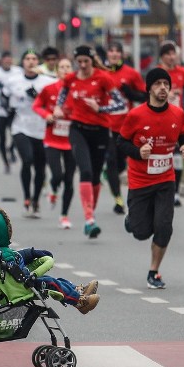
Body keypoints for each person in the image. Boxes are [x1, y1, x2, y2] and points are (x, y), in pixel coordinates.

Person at [117, 68, 184, 289]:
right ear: (149, 88)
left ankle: (154, 271)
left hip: (165, 181)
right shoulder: (136, 115)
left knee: (164, 226)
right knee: (140, 232)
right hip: (140, 181)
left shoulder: (177, 114)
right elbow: (121, 143)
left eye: (166, 84)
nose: (163, 88)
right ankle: (132, 221)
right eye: (158, 84)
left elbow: (183, 134)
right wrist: (138, 152)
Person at [55, 45, 126, 238]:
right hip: (78, 130)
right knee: (85, 170)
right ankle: (89, 219)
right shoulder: (71, 78)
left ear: (92, 60)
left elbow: (121, 104)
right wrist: (58, 108)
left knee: (95, 176)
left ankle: (90, 215)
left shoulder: (103, 78)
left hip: (101, 131)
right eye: (80, 62)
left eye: (86, 61)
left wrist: (100, 108)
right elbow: (61, 95)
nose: (83, 65)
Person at [0, 207, 100, 314]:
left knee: (56, 281)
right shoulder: (1, 254)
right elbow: (16, 269)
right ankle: (79, 301)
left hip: (14, 285)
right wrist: (30, 274)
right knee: (51, 283)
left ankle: (77, 290)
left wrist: (31, 253)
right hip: (18, 288)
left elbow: (18, 256)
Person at [3, 50, 55, 217]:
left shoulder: (47, 82)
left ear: (38, 62)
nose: (31, 62)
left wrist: (39, 97)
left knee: (40, 167)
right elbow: (4, 97)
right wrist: (8, 108)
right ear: (23, 62)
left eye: (34, 59)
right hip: (21, 127)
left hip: (41, 129)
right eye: (27, 59)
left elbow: (55, 100)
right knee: (27, 159)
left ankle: (35, 199)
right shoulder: (13, 81)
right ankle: (26, 197)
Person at [103, 42, 147, 215]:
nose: (114, 54)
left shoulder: (131, 73)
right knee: (112, 161)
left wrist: (130, 93)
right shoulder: (101, 73)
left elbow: (144, 97)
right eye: (111, 51)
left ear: (122, 54)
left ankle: (109, 174)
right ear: (107, 55)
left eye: (117, 51)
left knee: (121, 163)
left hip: (126, 127)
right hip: (106, 125)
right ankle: (118, 200)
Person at [33, 57, 76, 229]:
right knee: (57, 174)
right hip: (52, 139)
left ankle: (64, 216)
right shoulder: (49, 89)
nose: (65, 70)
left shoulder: (77, 91)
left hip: (72, 140)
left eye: (68, 67)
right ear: (57, 71)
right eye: (62, 67)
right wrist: (47, 115)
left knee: (70, 179)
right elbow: (37, 105)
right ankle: (53, 189)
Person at [155, 42, 184, 207]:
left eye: (174, 54)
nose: (172, 57)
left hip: (177, 120)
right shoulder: (157, 72)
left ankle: (175, 193)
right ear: (162, 56)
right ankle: (159, 189)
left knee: (178, 158)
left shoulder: (182, 72)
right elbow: (146, 91)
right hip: (159, 119)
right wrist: (165, 93)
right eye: (168, 54)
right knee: (162, 157)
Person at [0, 51, 22, 174]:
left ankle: (12, 148)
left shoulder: (18, 71)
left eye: (10, 61)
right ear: (1, 61)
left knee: (16, 134)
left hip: (14, 110)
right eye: (6, 60)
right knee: (2, 138)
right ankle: (6, 162)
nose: (8, 63)